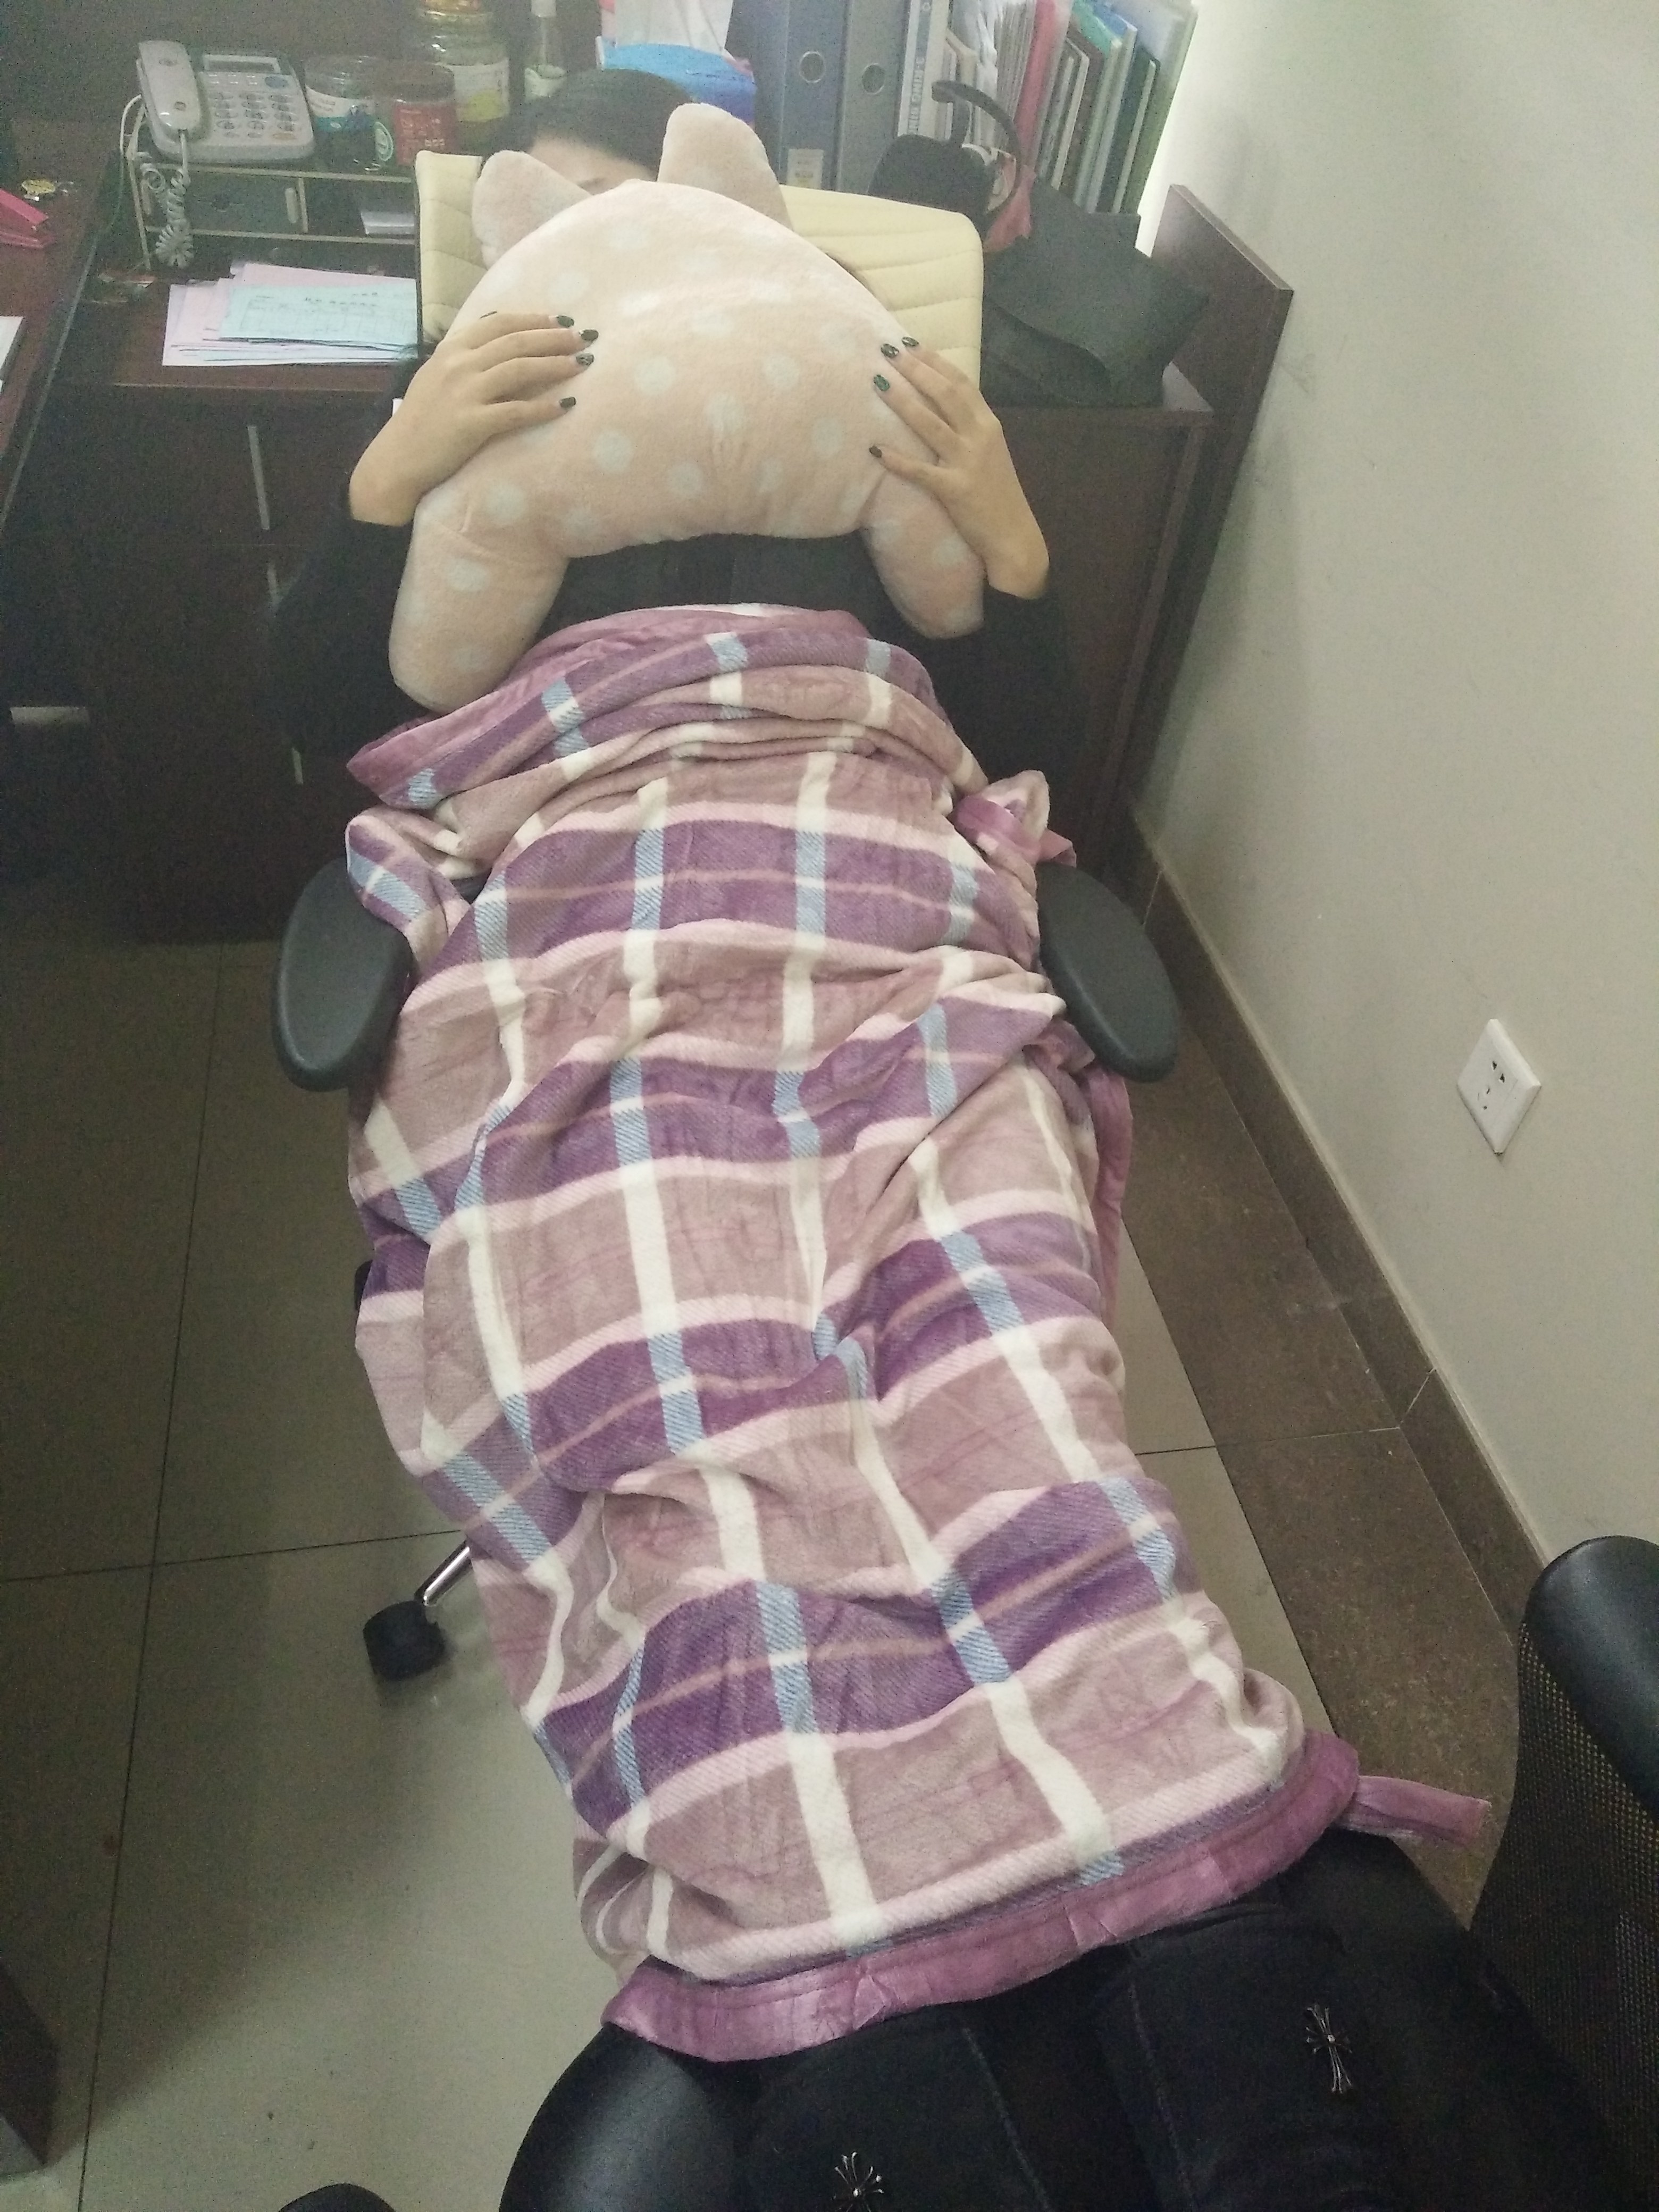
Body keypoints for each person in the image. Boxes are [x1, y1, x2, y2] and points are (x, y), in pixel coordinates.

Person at [268, 73, 1080, 784]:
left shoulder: (873, 393)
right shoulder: (453, 411)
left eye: (623, 207)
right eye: (559, 229)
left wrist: (1016, 548)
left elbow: (1018, 754)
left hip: (844, 815)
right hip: (555, 831)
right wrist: (387, 480)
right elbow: (323, 719)